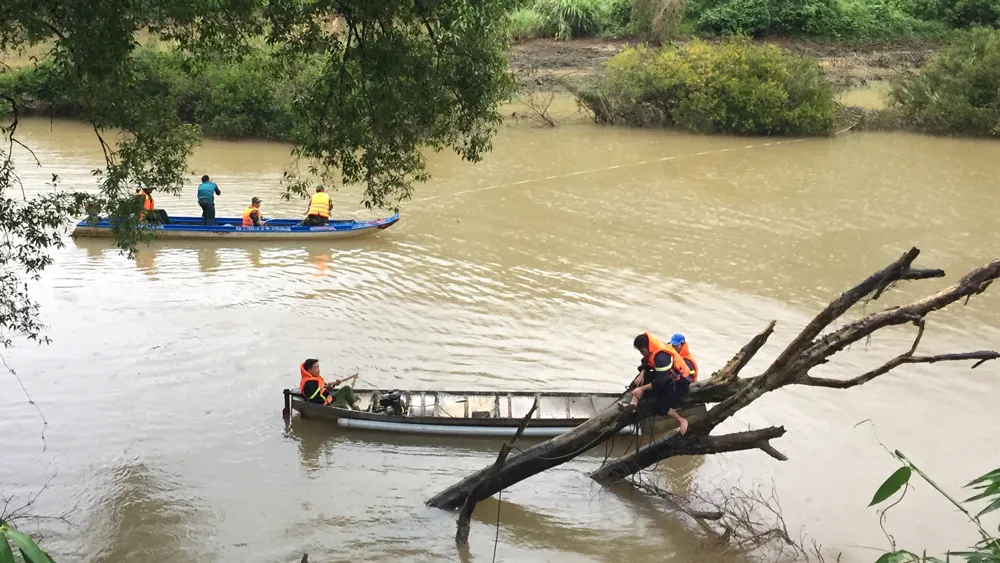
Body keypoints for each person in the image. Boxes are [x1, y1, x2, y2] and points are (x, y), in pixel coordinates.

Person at [620, 332, 693, 435]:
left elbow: (659, 382)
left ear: (647, 347)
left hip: (680, 381)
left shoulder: (661, 357)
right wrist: (642, 373)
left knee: (659, 403)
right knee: (641, 379)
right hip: (666, 375)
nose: (641, 353)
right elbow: (646, 362)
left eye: (642, 351)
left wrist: (642, 389)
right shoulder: (651, 349)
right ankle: (633, 405)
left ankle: (681, 420)